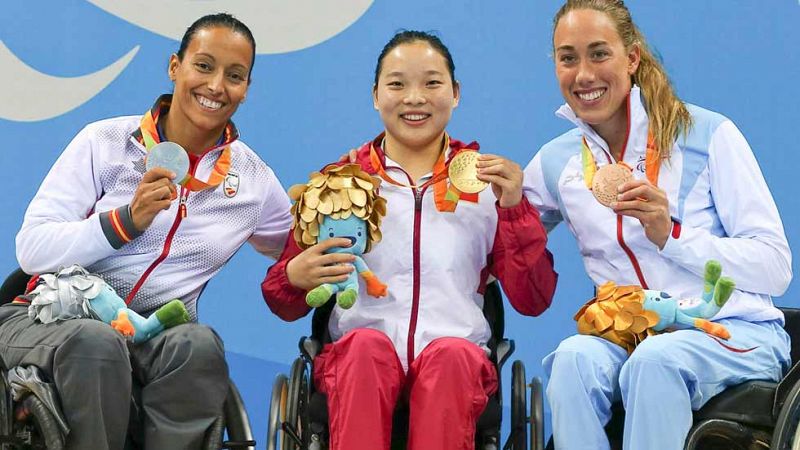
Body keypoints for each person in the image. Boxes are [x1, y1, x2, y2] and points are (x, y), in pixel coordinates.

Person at [0, 13, 293, 450]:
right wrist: (125, 222)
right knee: (96, 344)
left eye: (235, 76)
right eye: (204, 66)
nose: (216, 87)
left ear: (247, 88)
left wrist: (338, 202)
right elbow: (33, 249)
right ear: (175, 66)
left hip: (155, 335)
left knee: (199, 344)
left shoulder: (252, 181)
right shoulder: (105, 142)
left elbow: (292, 250)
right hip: (50, 320)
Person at [261, 30, 558, 450]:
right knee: (364, 348)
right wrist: (294, 275)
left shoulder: (488, 186)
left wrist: (513, 208)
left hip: (457, 364)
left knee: (451, 357)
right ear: (375, 95)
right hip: (357, 363)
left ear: (455, 93)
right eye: (397, 84)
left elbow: (533, 298)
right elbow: (282, 300)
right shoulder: (341, 182)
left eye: (432, 83)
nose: (414, 97)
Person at [523, 1, 793, 449]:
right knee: (572, 359)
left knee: (657, 360)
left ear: (632, 58)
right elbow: (498, 239)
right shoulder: (558, 162)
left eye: (599, 53)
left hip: (733, 332)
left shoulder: (707, 135)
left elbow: (775, 267)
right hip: (627, 335)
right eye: (568, 58)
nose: (584, 74)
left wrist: (674, 237)